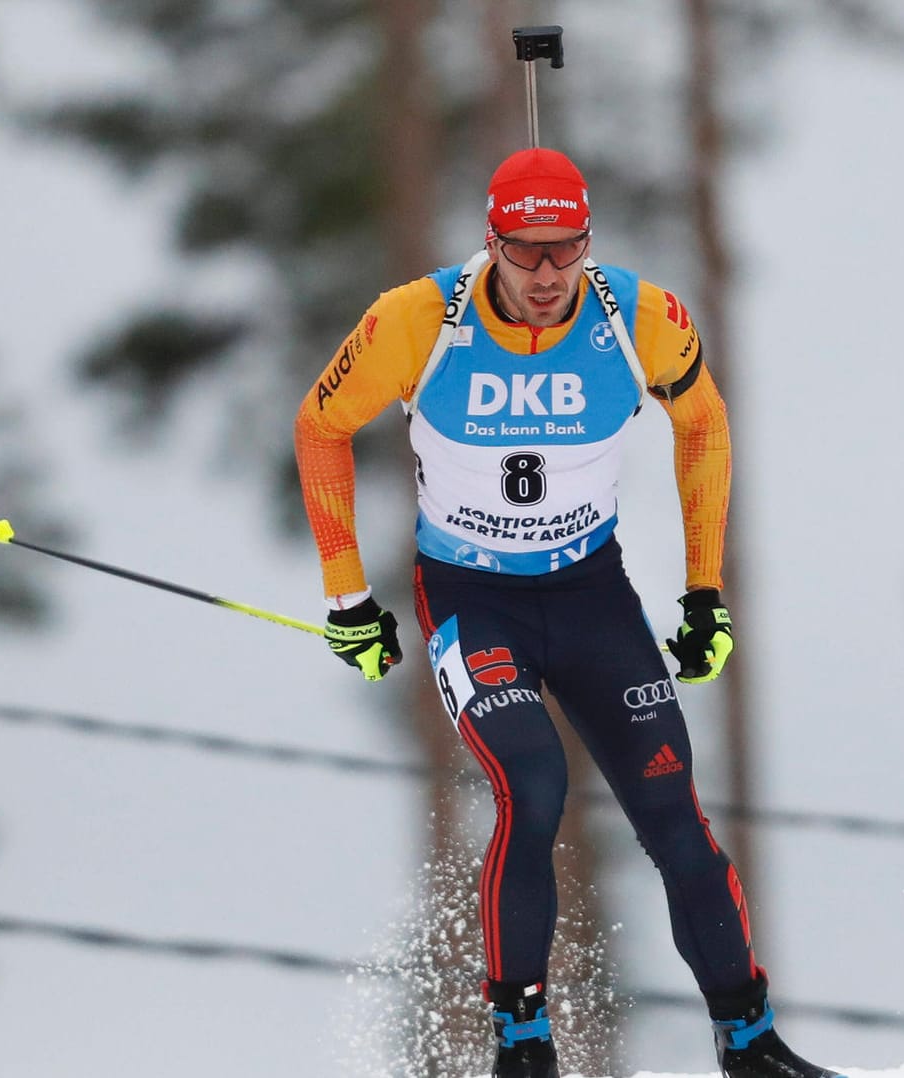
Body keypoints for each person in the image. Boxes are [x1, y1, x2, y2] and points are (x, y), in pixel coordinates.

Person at [294, 147, 840, 1078]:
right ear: (492, 240)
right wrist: (348, 594)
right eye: (525, 251)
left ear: (589, 238)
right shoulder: (417, 320)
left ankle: (749, 1044)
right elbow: (321, 426)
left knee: (673, 806)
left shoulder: (640, 317)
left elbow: (701, 423)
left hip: (591, 591)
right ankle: (523, 1047)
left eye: (566, 250)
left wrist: (703, 592)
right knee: (533, 786)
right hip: (471, 596)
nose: (548, 275)